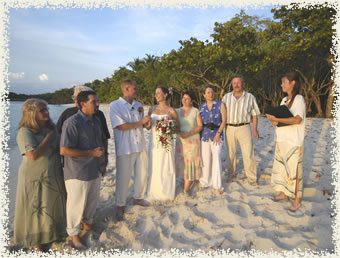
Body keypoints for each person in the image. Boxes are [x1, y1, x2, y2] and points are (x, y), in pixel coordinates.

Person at [13, 99, 67, 252]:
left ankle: (53, 234)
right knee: (36, 208)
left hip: (53, 173)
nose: (46, 112)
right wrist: (48, 138)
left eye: (46, 109)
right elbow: (32, 155)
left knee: (52, 204)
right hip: (34, 177)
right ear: (31, 114)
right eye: (42, 110)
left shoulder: (51, 128)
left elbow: (61, 148)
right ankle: (36, 242)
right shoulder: (25, 131)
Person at [60, 91, 108, 250]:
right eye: (94, 101)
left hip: (94, 169)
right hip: (77, 172)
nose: (98, 104)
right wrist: (91, 153)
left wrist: (103, 162)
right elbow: (64, 150)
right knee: (75, 205)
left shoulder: (97, 120)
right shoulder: (72, 122)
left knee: (92, 202)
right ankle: (74, 236)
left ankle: (88, 226)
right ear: (83, 104)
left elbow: (101, 142)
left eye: (97, 101)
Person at [109, 80, 150, 221]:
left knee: (142, 173)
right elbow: (121, 126)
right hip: (125, 147)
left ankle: (138, 197)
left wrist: (147, 124)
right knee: (123, 177)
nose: (137, 89)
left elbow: (142, 125)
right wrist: (141, 122)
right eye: (134, 87)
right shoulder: (115, 105)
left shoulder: (139, 105)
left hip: (140, 144)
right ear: (126, 88)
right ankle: (120, 205)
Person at [266, 72, 306, 212]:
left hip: (294, 140)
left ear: (293, 83)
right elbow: (281, 119)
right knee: (282, 167)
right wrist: (274, 120)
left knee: (294, 169)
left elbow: (297, 119)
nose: (282, 84)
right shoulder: (284, 100)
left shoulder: (299, 99)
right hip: (282, 138)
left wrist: (279, 120)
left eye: (284, 82)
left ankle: (297, 199)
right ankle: (283, 193)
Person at [56, 85, 110, 166]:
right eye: (73, 97)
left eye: (77, 97)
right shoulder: (68, 114)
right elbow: (57, 135)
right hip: (73, 165)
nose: (75, 99)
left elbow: (104, 138)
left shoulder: (98, 115)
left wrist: (105, 158)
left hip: (95, 163)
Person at [222, 76, 260, 185]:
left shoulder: (250, 97)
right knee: (231, 153)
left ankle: (252, 178)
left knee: (248, 153)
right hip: (229, 128)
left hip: (245, 127)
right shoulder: (226, 97)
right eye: (234, 83)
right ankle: (231, 175)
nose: (236, 85)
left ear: (243, 84)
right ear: (232, 84)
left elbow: (255, 114)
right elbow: (222, 114)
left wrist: (255, 130)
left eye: (238, 83)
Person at [146, 87, 180, 201]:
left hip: (166, 142)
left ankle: (166, 193)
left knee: (166, 165)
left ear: (165, 95)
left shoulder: (171, 110)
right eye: (155, 93)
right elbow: (147, 127)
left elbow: (177, 127)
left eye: (159, 93)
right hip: (154, 142)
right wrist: (147, 124)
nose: (156, 95)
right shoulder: (151, 109)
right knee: (154, 165)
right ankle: (154, 192)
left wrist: (168, 126)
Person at [199, 85, 227, 193]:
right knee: (205, 159)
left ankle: (217, 185)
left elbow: (224, 120)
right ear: (204, 95)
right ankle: (205, 182)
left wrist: (218, 133)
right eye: (208, 92)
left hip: (217, 133)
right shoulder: (201, 107)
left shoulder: (220, 104)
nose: (210, 94)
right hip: (205, 134)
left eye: (212, 92)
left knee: (216, 158)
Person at [175, 90, 203, 196]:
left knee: (190, 164)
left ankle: (186, 190)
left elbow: (200, 126)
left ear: (192, 101)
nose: (184, 100)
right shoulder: (176, 111)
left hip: (192, 140)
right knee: (183, 163)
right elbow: (173, 125)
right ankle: (185, 181)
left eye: (187, 98)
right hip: (181, 140)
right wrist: (179, 133)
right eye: (183, 98)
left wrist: (189, 133)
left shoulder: (195, 111)